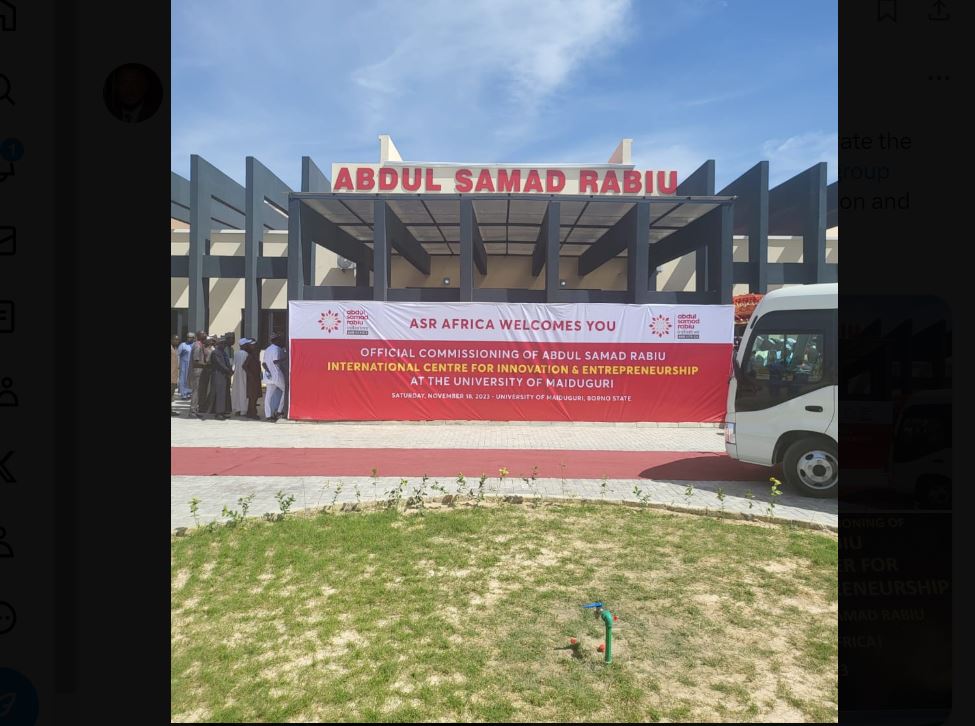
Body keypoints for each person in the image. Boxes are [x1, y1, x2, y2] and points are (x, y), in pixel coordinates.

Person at [262, 333, 287, 421]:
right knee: (286, 390)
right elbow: (276, 361)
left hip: (269, 376)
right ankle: (279, 411)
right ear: (277, 340)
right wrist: (286, 358)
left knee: (268, 396)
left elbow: (264, 363)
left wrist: (268, 371)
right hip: (276, 374)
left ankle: (268, 415)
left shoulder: (267, 349)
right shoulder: (277, 349)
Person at [209, 335, 234, 420]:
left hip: (225, 375)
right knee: (219, 394)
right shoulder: (216, 352)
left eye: (225, 344)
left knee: (224, 394)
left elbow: (227, 363)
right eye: (222, 343)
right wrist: (228, 370)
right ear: (218, 344)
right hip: (218, 375)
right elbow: (219, 364)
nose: (224, 345)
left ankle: (223, 411)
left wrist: (230, 370)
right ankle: (218, 413)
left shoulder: (223, 352)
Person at [188, 330, 207, 417]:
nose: (205, 335)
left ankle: (196, 409)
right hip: (197, 371)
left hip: (200, 371)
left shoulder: (201, 345)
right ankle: (192, 411)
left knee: (198, 392)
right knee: (195, 391)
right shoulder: (197, 345)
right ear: (199, 336)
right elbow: (196, 361)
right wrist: (206, 364)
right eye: (204, 334)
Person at [242, 339, 262, 419]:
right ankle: (252, 413)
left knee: (255, 396)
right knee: (252, 397)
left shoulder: (255, 355)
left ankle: (250, 412)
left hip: (256, 378)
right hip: (252, 379)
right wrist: (250, 375)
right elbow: (244, 366)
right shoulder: (250, 356)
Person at [231, 337, 250, 416]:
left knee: (237, 391)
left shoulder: (236, 353)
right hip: (244, 375)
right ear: (244, 345)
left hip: (237, 375)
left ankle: (237, 409)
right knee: (244, 391)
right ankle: (243, 410)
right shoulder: (246, 354)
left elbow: (233, 365)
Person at [177, 333, 194, 398]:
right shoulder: (183, 345)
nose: (189, 338)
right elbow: (178, 355)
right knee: (183, 378)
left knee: (190, 379)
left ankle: (189, 392)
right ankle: (183, 393)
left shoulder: (194, 345)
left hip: (192, 365)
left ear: (193, 338)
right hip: (184, 364)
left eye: (191, 337)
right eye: (188, 337)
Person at [171, 335, 180, 416]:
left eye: (178, 340)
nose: (177, 341)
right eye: (175, 339)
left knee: (171, 394)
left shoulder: (176, 349)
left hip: (174, 376)